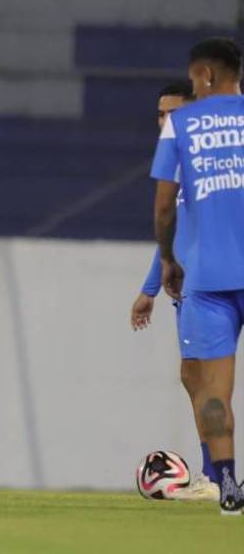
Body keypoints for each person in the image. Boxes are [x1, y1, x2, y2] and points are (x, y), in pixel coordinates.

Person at [152, 37, 244, 515]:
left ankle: (227, 485)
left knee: (213, 390)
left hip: (207, 278)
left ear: (206, 76)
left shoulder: (182, 126)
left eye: (193, 80)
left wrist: (168, 259)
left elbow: (166, 206)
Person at [132, 80, 220, 501]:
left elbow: (175, 226)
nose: (166, 121)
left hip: (204, 285)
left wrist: (151, 288)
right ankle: (216, 473)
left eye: (174, 113)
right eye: (161, 114)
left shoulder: (194, 164)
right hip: (191, 283)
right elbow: (172, 235)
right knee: (195, 376)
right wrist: (150, 288)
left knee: (204, 378)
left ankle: (218, 475)